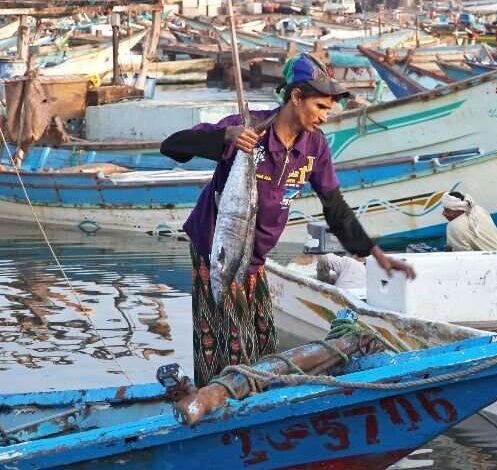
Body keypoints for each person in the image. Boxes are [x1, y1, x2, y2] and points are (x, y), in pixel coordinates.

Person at [160, 53, 415, 386]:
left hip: (255, 258)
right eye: (321, 107)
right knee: (225, 343)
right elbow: (172, 147)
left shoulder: (314, 147)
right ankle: (214, 401)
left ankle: (255, 399)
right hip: (217, 250)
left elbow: (334, 206)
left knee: (265, 342)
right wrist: (226, 137)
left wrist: (377, 256)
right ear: (297, 97)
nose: (326, 116)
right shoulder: (248, 130)